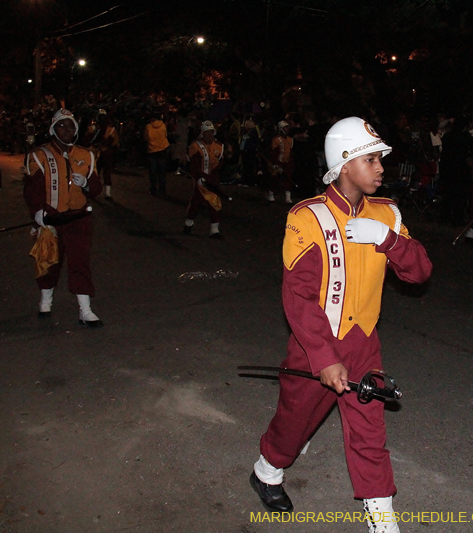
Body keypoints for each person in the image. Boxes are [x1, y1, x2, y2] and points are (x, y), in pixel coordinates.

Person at [250, 117, 432, 533]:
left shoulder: (387, 213)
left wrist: (387, 238)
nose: (381, 168)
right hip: (317, 343)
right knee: (296, 421)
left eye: (380, 159)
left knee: (370, 430)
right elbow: (297, 295)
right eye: (371, 159)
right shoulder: (307, 216)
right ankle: (266, 470)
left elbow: (419, 273)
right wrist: (324, 356)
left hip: (364, 342)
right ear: (345, 164)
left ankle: (382, 521)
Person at [24, 108, 104, 327]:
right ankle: (45, 299)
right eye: (61, 125)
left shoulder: (85, 155)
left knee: (80, 262)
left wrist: (86, 183)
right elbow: (32, 189)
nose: (66, 130)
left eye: (71, 126)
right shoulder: (39, 155)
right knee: (49, 261)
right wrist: (38, 213)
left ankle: (85, 310)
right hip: (53, 219)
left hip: (79, 218)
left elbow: (96, 188)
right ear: (53, 129)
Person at [183, 121, 224, 239]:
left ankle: (214, 230)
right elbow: (194, 166)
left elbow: (221, 163)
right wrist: (199, 178)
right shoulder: (196, 146)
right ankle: (189, 223)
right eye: (207, 132)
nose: (210, 135)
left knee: (214, 203)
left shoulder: (219, 146)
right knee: (196, 202)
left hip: (212, 179)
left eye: (211, 132)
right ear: (202, 134)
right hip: (201, 179)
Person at [144, 110, 170, 195]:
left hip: (152, 150)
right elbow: (166, 135)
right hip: (162, 149)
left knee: (153, 171)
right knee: (162, 171)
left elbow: (146, 138)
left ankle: (153, 189)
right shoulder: (163, 125)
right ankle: (162, 189)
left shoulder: (148, 127)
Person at [268, 119, 294, 203]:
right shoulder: (276, 139)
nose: (287, 129)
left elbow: (291, 152)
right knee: (274, 178)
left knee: (288, 179)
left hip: (286, 163)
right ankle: (271, 194)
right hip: (278, 162)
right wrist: (275, 164)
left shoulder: (290, 140)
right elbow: (273, 153)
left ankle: (288, 197)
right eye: (285, 127)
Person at [97, 111, 119, 199]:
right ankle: (107, 193)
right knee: (107, 173)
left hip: (97, 153)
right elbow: (116, 142)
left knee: (95, 172)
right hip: (108, 153)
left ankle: (93, 190)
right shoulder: (112, 129)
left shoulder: (95, 128)